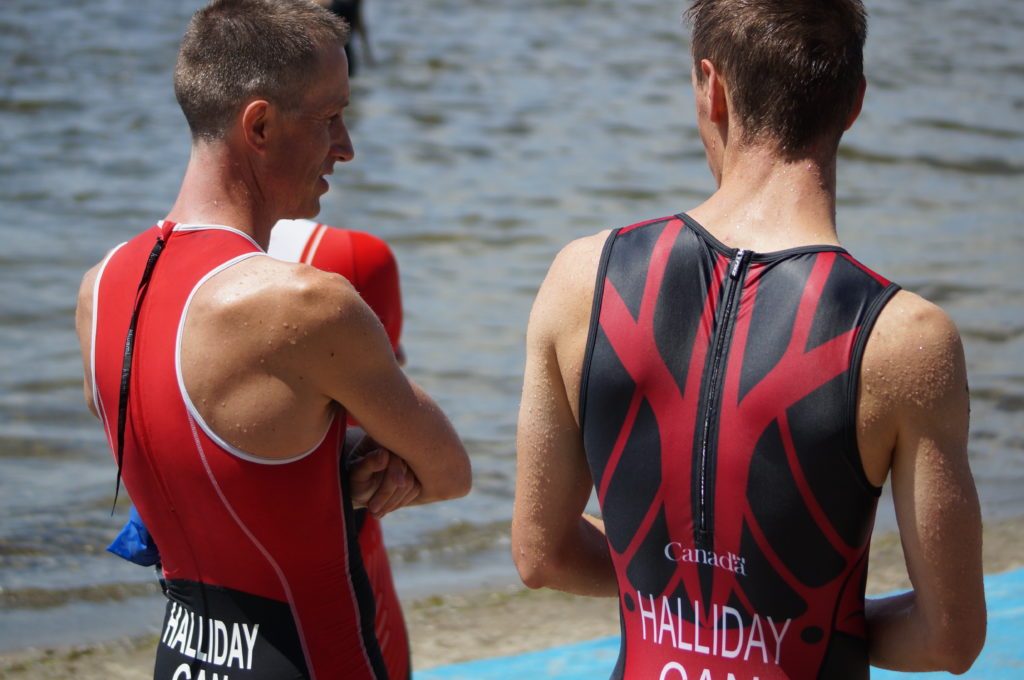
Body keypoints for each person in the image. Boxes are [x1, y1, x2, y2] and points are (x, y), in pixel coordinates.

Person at [510, 1, 986, 678]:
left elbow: (542, 553)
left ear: (714, 88)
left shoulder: (583, 279)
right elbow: (950, 639)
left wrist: (674, 601)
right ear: (853, 103)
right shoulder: (903, 338)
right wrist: (804, 621)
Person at [74, 2, 470, 679]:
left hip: (181, 657)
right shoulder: (305, 304)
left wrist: (336, 463)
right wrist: (371, 461)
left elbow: (205, 466)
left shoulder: (99, 290)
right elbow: (449, 472)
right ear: (258, 124)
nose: (345, 145)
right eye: (328, 118)